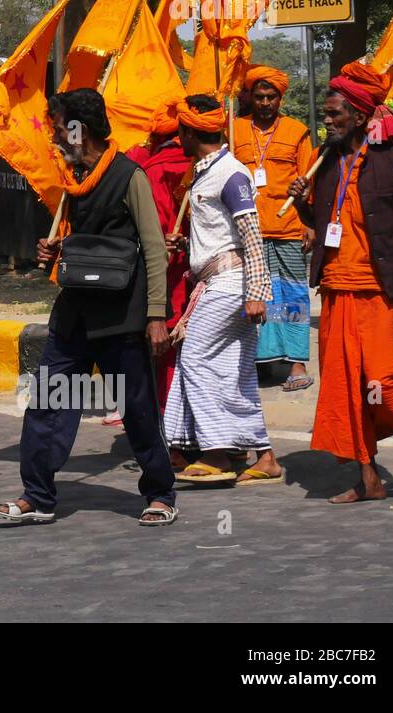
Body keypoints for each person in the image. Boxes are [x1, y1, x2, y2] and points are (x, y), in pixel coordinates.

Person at [0, 89, 177, 526]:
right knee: (48, 403)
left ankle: (159, 493)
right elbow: (82, 243)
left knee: (137, 409)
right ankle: (37, 496)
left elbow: (154, 249)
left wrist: (155, 316)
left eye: (58, 122)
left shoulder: (129, 176)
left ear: (81, 128)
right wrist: (54, 249)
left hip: (123, 317)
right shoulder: (72, 180)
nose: (54, 131)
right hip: (74, 314)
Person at [288, 62, 393, 502]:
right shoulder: (321, 161)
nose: (325, 121)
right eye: (325, 114)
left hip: (378, 288)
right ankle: (366, 477)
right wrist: (299, 205)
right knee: (346, 385)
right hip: (334, 286)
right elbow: (319, 221)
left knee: (380, 380)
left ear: (361, 117)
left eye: (334, 115)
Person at [163, 95, 283, 486]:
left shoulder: (230, 174)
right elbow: (222, 233)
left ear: (189, 131)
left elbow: (251, 234)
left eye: (179, 131)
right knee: (234, 371)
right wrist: (188, 247)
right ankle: (264, 456)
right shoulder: (205, 172)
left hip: (232, 284)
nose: (176, 137)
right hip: (220, 280)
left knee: (194, 357)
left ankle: (219, 452)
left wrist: (257, 291)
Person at [232, 65, 317, 391]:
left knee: (292, 297)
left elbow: (309, 181)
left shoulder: (297, 131)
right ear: (251, 97)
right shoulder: (234, 129)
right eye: (260, 96)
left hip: (288, 227)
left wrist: (308, 223)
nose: (265, 102)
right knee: (255, 297)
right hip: (248, 230)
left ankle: (296, 363)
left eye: (271, 97)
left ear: (281, 98)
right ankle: (262, 361)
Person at [124, 108, 192, 416]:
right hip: (201, 273)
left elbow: (155, 232)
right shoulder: (206, 164)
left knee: (165, 353)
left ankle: (169, 428)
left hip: (164, 274)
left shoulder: (150, 169)